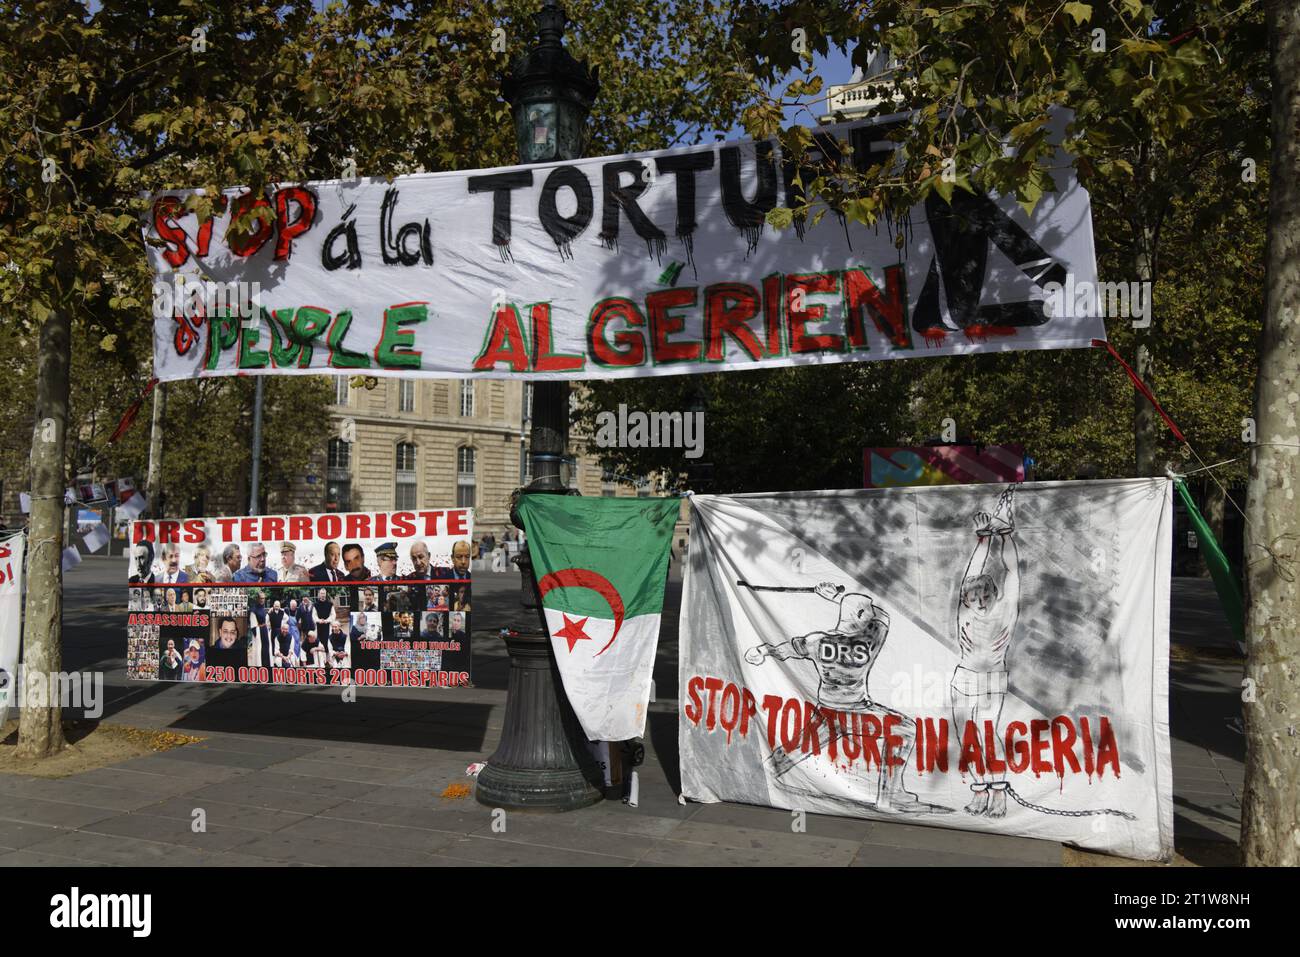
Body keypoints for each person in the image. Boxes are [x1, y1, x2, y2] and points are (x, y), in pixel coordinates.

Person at [744, 579, 926, 814]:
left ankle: (759, 776)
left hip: (828, 713)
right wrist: (836, 597)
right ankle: (889, 797)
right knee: (905, 729)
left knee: (792, 751)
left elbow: (785, 650)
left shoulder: (817, 641)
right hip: (858, 711)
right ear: (861, 615)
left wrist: (762, 651)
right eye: (866, 613)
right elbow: (884, 617)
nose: (871, 616)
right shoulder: (870, 640)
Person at [950, 487, 1020, 819]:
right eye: (974, 598)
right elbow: (970, 575)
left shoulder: (1005, 611)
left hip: (992, 677)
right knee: (966, 735)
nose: (979, 602)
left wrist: (1004, 534)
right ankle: (979, 789)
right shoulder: (965, 613)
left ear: (993, 595)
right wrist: (982, 539)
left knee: (988, 734)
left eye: (984, 596)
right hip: (963, 678)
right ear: (966, 600)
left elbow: (1013, 575)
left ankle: (999, 792)